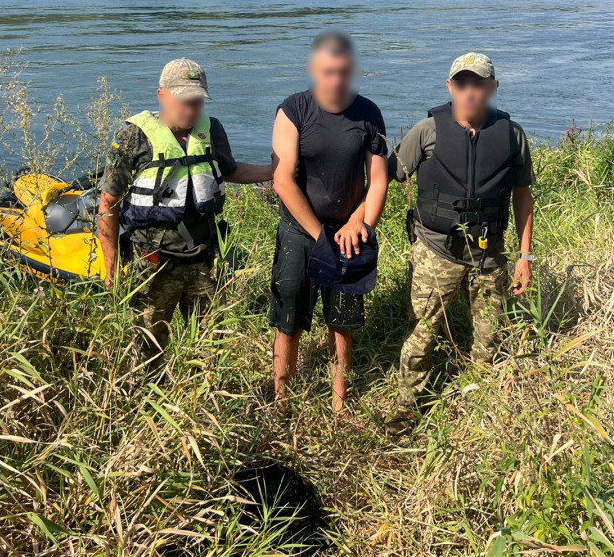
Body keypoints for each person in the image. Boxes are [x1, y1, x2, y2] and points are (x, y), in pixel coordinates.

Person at [386, 52, 535, 435]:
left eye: (478, 84)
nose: (470, 92)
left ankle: (480, 409)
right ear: (450, 87)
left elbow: (522, 196)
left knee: (489, 336)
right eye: (462, 83)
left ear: (492, 88)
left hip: (489, 253)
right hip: (436, 251)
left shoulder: (512, 135)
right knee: (422, 332)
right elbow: (387, 174)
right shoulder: (427, 131)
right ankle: (407, 408)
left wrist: (525, 256)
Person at [97, 58, 272, 359]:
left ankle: (203, 388)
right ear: (162, 96)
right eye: (184, 100)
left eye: (198, 101)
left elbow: (229, 170)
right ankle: (146, 389)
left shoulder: (211, 130)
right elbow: (108, 202)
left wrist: (273, 172)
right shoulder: (133, 137)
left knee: (210, 348)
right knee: (146, 350)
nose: (191, 109)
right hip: (152, 265)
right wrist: (110, 268)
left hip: (204, 259)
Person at [271, 31, 389, 415]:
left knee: (343, 324)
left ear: (352, 71)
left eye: (343, 72)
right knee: (289, 322)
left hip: (348, 235)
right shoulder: (293, 110)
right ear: (313, 70)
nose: (336, 80)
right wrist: (318, 235)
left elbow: (378, 181)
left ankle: (340, 403)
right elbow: (282, 180)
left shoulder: (369, 113)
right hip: (299, 232)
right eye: (328, 72)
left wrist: (360, 223)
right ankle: (281, 402)